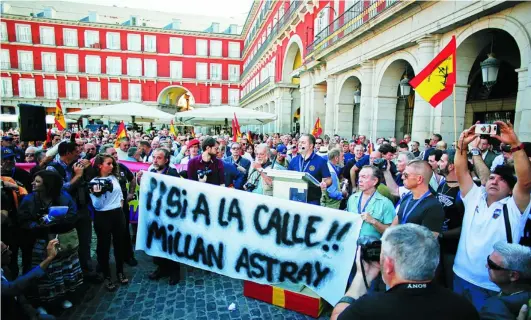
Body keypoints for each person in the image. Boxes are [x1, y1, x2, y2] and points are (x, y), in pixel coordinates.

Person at [453, 121, 531, 310]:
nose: (495, 181)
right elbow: (461, 171)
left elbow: (526, 181)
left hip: (491, 285)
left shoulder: (514, 207)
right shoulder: (474, 196)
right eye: (493, 177)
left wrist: (515, 145)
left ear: (512, 190)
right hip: (459, 275)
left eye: (503, 180)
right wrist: (462, 145)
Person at [331, 224, 479, 320]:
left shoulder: (368, 309)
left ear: (388, 265)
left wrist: (361, 277)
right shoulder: (464, 308)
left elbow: (337, 317)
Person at [18, 170, 83, 310]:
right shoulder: (29, 199)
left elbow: (73, 215)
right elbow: (22, 221)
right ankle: (45, 301)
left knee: (63, 271)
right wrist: (37, 225)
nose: (33, 183)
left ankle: (64, 296)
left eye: (37, 181)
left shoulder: (64, 197)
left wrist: (58, 221)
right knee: (46, 273)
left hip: (62, 241)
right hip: (40, 243)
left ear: (48, 185)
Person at [45, 141, 100, 283]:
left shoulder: (77, 165)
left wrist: (87, 170)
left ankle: (87, 271)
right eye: (76, 151)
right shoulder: (53, 168)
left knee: (85, 242)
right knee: (66, 246)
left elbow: (91, 181)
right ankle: (70, 277)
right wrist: (77, 175)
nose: (79, 154)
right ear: (68, 153)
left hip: (82, 209)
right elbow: (61, 191)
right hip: (65, 213)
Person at [137, 148, 182, 286]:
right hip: (155, 214)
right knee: (157, 241)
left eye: (159, 158)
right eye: (154, 157)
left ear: (166, 160)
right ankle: (161, 268)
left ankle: (174, 271)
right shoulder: (151, 173)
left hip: (169, 215)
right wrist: (140, 181)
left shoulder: (172, 173)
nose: (155, 160)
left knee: (171, 243)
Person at [89, 154, 128, 291]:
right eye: (108, 164)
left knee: (119, 244)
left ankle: (120, 271)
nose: (112, 166)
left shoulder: (113, 178)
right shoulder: (94, 181)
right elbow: (97, 205)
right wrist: (98, 194)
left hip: (117, 214)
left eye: (112, 164)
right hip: (103, 216)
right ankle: (107, 276)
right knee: (104, 246)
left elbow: (120, 195)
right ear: (100, 165)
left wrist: (120, 207)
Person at [1, 239, 59, 320]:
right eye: (4, 252)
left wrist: (33, 314)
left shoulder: (4, 268)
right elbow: (14, 288)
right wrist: (48, 259)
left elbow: (18, 296)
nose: (10, 252)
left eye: (8, 248)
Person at [101, 145, 138, 266]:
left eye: (116, 153)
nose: (116, 156)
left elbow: (132, 179)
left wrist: (131, 193)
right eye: (112, 153)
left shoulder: (121, 167)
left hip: (122, 207)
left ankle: (128, 256)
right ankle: (104, 263)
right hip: (106, 209)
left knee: (124, 232)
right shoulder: (99, 170)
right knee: (106, 235)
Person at [479, 242, 531, 320]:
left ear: (513, 275)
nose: (486, 265)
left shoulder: (495, 308)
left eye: (492, 265)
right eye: (488, 259)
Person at [390, 160, 445, 233]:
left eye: (406, 175)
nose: (402, 177)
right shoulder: (407, 197)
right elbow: (392, 228)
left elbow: (429, 240)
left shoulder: (434, 206)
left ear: (419, 179)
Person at [346, 165, 395, 238]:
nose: (359, 180)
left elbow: (391, 232)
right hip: (351, 244)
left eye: (364, 177)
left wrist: (373, 221)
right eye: (359, 176)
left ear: (375, 181)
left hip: (372, 247)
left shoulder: (386, 203)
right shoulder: (352, 198)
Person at [288, 134, 331, 205]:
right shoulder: (294, 160)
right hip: (294, 200)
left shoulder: (320, 161)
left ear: (311, 146)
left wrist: (325, 183)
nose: (300, 144)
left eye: (303, 142)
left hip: (312, 201)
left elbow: (329, 179)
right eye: (299, 142)